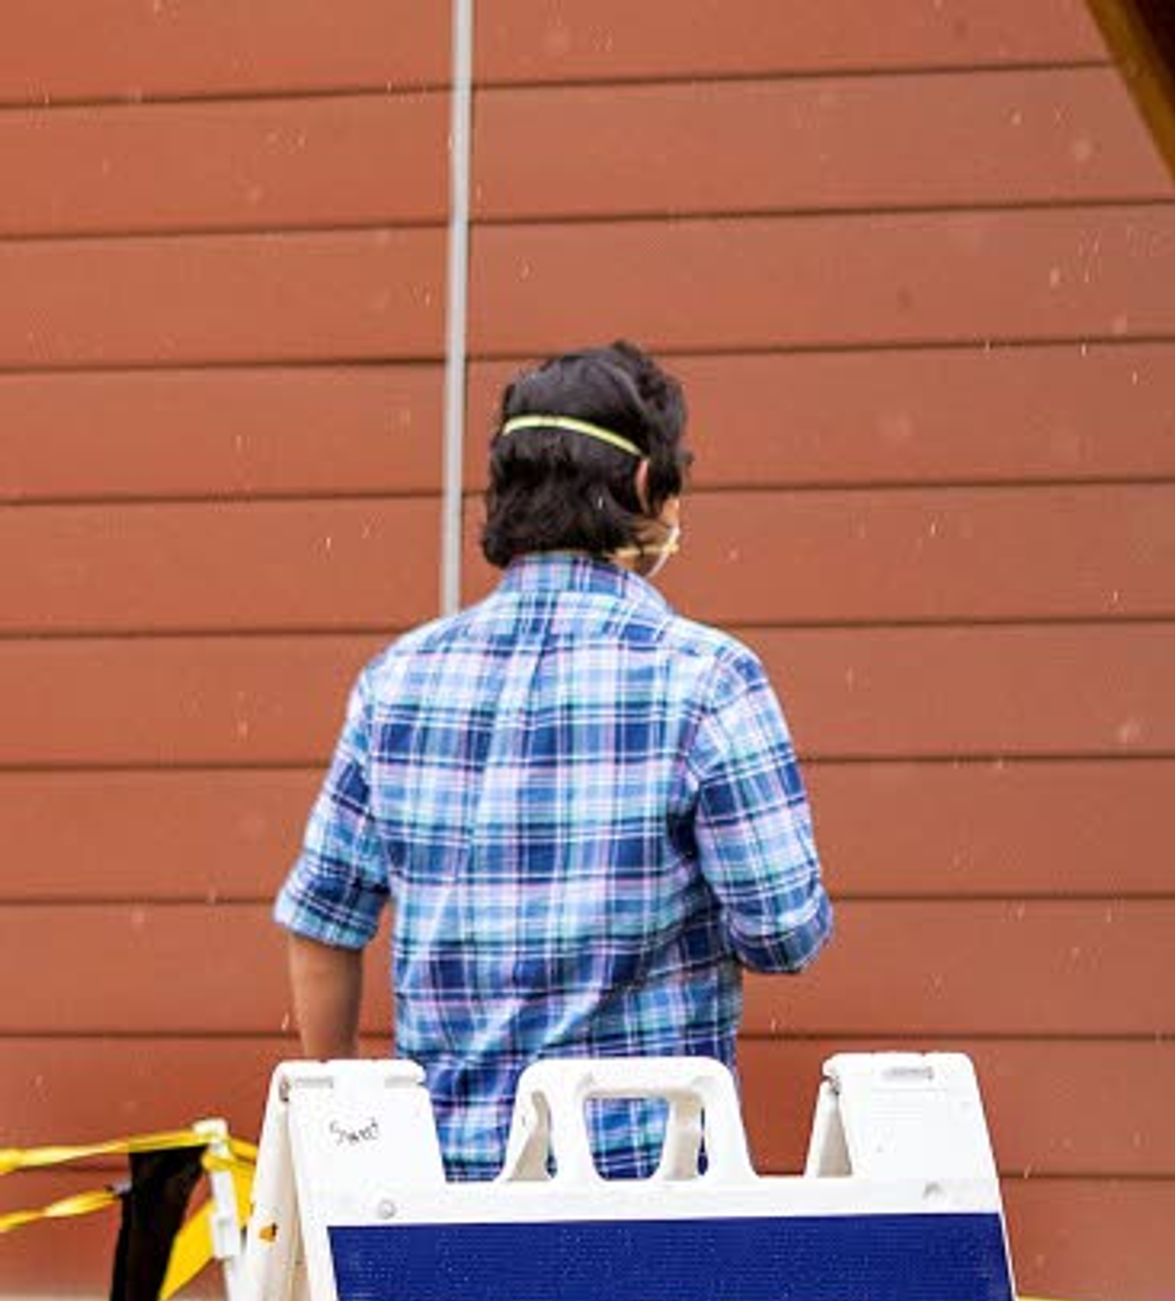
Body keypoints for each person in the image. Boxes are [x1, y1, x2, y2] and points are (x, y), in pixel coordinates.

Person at [274, 341, 831, 1180]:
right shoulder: (709, 679)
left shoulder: (398, 681)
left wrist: (347, 1116)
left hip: (445, 1196)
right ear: (649, 488)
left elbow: (323, 925)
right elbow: (784, 935)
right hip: (647, 1196)